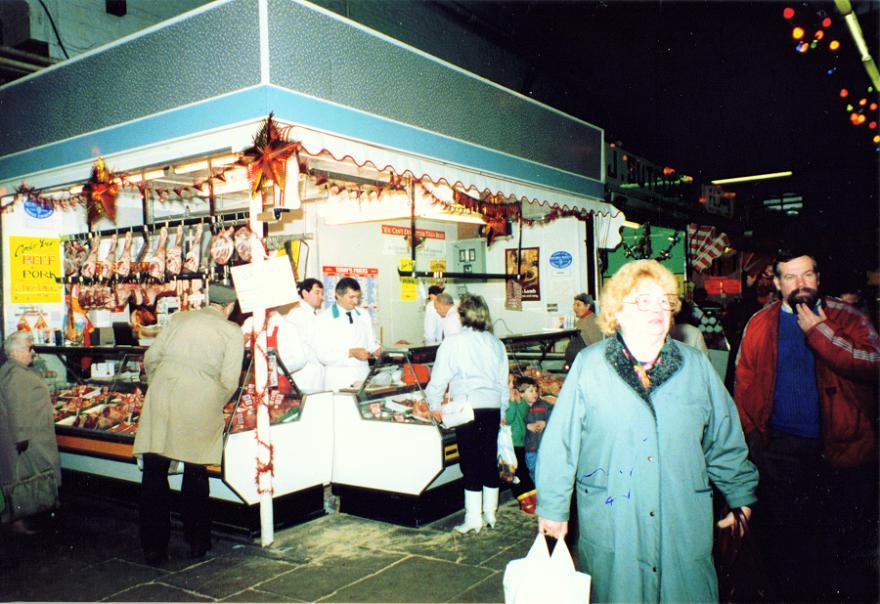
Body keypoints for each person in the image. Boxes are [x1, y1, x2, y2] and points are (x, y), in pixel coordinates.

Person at [536, 259, 757, 603]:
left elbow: (724, 437)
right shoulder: (590, 365)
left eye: (664, 300)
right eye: (643, 300)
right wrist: (552, 506)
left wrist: (741, 496)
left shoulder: (695, 365)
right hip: (616, 519)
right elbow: (560, 443)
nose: (657, 308)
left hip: (682, 518)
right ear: (617, 312)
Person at [734, 249, 880, 602]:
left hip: (842, 450)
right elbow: (743, 384)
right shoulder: (760, 322)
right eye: (790, 277)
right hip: (781, 452)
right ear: (777, 283)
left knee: (842, 549)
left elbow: (872, 363)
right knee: (788, 546)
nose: (800, 284)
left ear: (818, 278)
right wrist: (753, 444)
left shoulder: (847, 317)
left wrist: (820, 332)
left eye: (807, 275)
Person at [133, 284, 244, 565]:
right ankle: (197, 541)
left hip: (162, 393)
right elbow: (230, 381)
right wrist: (212, 402)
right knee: (195, 471)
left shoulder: (179, 317)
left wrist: (161, 381)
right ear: (230, 307)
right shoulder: (232, 331)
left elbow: (151, 357)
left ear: (208, 301)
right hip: (200, 397)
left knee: (154, 472)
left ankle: (153, 547)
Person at [425, 294, 509, 533]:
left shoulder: (453, 342)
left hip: (467, 407)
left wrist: (434, 405)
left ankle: (473, 519)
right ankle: (491, 514)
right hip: (491, 407)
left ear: (463, 316)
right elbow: (503, 383)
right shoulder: (496, 343)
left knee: (470, 463)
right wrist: (502, 408)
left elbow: (439, 377)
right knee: (488, 460)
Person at [0, 332, 61, 535]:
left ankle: (27, 517)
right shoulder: (17, 375)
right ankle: (27, 518)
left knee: (26, 476)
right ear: (16, 352)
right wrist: (22, 437)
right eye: (29, 348)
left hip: (29, 433)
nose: (33, 352)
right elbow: (17, 406)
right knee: (31, 477)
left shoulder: (11, 370)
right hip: (31, 436)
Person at [315, 277, 381, 391]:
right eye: (351, 297)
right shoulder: (324, 318)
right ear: (338, 295)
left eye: (358, 297)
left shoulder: (364, 315)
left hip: (363, 375)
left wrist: (378, 350)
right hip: (339, 378)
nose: (356, 301)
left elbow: (371, 343)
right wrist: (351, 352)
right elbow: (323, 355)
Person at [285, 278, 325, 393]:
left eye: (322, 293)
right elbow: (300, 346)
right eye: (317, 292)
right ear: (305, 293)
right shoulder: (296, 314)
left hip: (317, 372)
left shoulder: (315, 314)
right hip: (304, 373)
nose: (321, 297)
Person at [503, 374, 536, 514]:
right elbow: (509, 419)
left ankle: (532, 499)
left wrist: (519, 402)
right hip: (509, 444)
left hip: (520, 442)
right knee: (515, 474)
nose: (512, 386)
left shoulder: (515, 399)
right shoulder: (504, 401)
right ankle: (523, 500)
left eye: (513, 382)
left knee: (523, 471)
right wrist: (511, 402)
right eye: (509, 382)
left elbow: (523, 414)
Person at [519, 376, 551, 483]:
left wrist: (545, 422)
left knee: (546, 471)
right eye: (531, 391)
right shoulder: (521, 408)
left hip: (544, 446)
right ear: (521, 393)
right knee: (533, 471)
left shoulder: (542, 404)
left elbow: (554, 413)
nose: (535, 393)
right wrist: (528, 426)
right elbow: (518, 424)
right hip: (530, 448)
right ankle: (537, 492)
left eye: (535, 390)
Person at [564, 293, 603, 369]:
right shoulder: (581, 320)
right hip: (577, 364)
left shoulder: (592, 321)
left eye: (578, 305)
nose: (575, 308)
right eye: (574, 305)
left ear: (587, 306)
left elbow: (596, 345)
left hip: (586, 365)